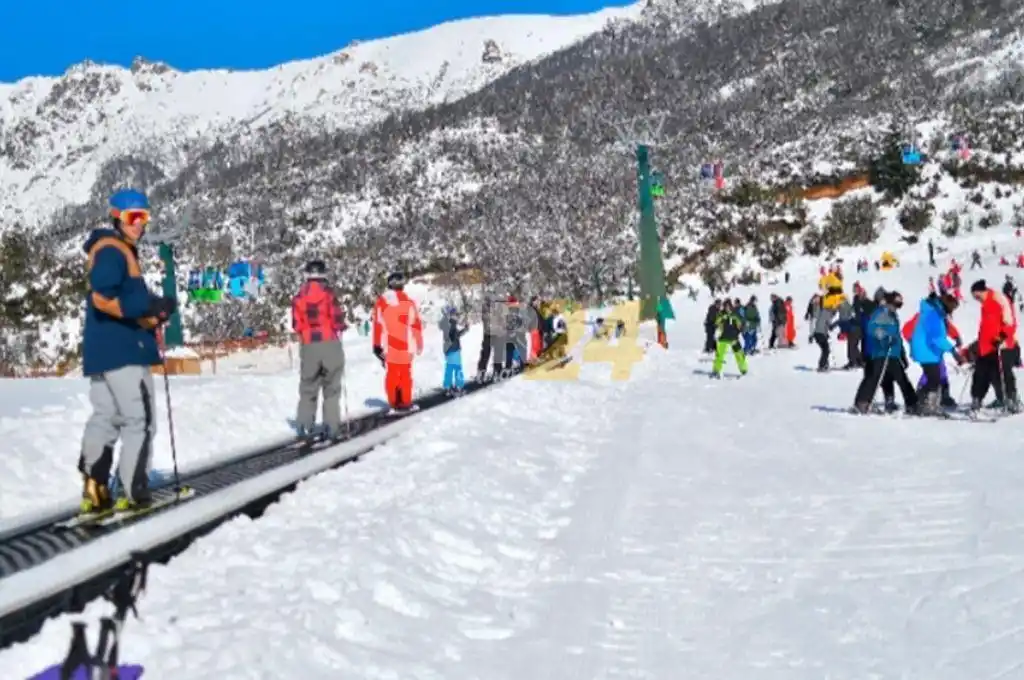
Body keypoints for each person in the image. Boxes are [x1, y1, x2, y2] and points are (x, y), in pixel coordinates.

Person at [79, 189, 178, 513]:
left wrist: (155, 314)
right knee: (140, 420)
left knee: (106, 417)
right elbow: (103, 296)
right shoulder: (113, 250)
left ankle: (95, 488)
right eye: (133, 217)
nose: (140, 225)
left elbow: (118, 304)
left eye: (144, 217)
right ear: (117, 217)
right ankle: (132, 490)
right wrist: (151, 303)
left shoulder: (111, 248)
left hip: (103, 352)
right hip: (124, 351)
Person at [291, 260, 347, 439]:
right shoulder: (329, 295)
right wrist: (341, 326)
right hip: (329, 342)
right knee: (331, 388)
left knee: (308, 387)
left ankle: (304, 426)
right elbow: (337, 319)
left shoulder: (299, 298)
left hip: (309, 345)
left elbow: (296, 324)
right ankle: (332, 426)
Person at [854, 291, 918, 413]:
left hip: (892, 353)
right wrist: (884, 337)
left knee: (901, 378)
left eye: (899, 304)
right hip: (881, 352)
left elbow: (897, 336)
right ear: (890, 302)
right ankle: (862, 402)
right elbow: (872, 328)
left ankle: (911, 403)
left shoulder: (892, 315)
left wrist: (902, 354)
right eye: (896, 303)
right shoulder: (882, 313)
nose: (898, 307)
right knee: (874, 377)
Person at [372, 272, 423, 412]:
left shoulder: (381, 302)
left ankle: (394, 402)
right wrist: (419, 343)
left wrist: (376, 345)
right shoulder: (409, 302)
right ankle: (405, 402)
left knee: (392, 374)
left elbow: (377, 324)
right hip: (406, 345)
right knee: (405, 374)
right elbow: (416, 324)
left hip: (389, 345)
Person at [969, 279, 1020, 412]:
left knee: (1004, 373)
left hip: (1001, 346)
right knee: (981, 373)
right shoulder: (985, 304)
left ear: (982, 291)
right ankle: (977, 400)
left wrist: (1001, 337)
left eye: (976, 296)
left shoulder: (999, 300)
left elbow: (1010, 323)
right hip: (986, 347)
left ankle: (1011, 400)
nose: (976, 299)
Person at [910, 291, 963, 414]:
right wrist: (953, 351)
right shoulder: (933, 314)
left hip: (929, 350)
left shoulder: (935, 312)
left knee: (933, 378)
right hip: (925, 350)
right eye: (951, 310)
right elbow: (936, 337)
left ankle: (920, 404)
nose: (951, 313)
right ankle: (929, 406)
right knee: (934, 378)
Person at [711, 300, 748, 378]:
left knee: (739, 354)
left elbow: (740, 324)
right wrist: (722, 318)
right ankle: (716, 370)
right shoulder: (721, 314)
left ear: (731, 307)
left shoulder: (735, 315)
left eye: (728, 306)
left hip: (734, 338)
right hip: (723, 338)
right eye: (725, 306)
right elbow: (716, 323)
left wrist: (742, 328)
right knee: (719, 355)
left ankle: (743, 369)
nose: (727, 308)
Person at [439, 304, 468, 395]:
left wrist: (464, 330)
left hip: (448, 350)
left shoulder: (447, 324)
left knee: (449, 368)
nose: (457, 316)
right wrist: (464, 330)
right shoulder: (452, 324)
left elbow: (454, 335)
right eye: (456, 315)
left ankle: (447, 386)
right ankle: (459, 386)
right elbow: (454, 336)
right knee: (458, 368)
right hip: (454, 349)